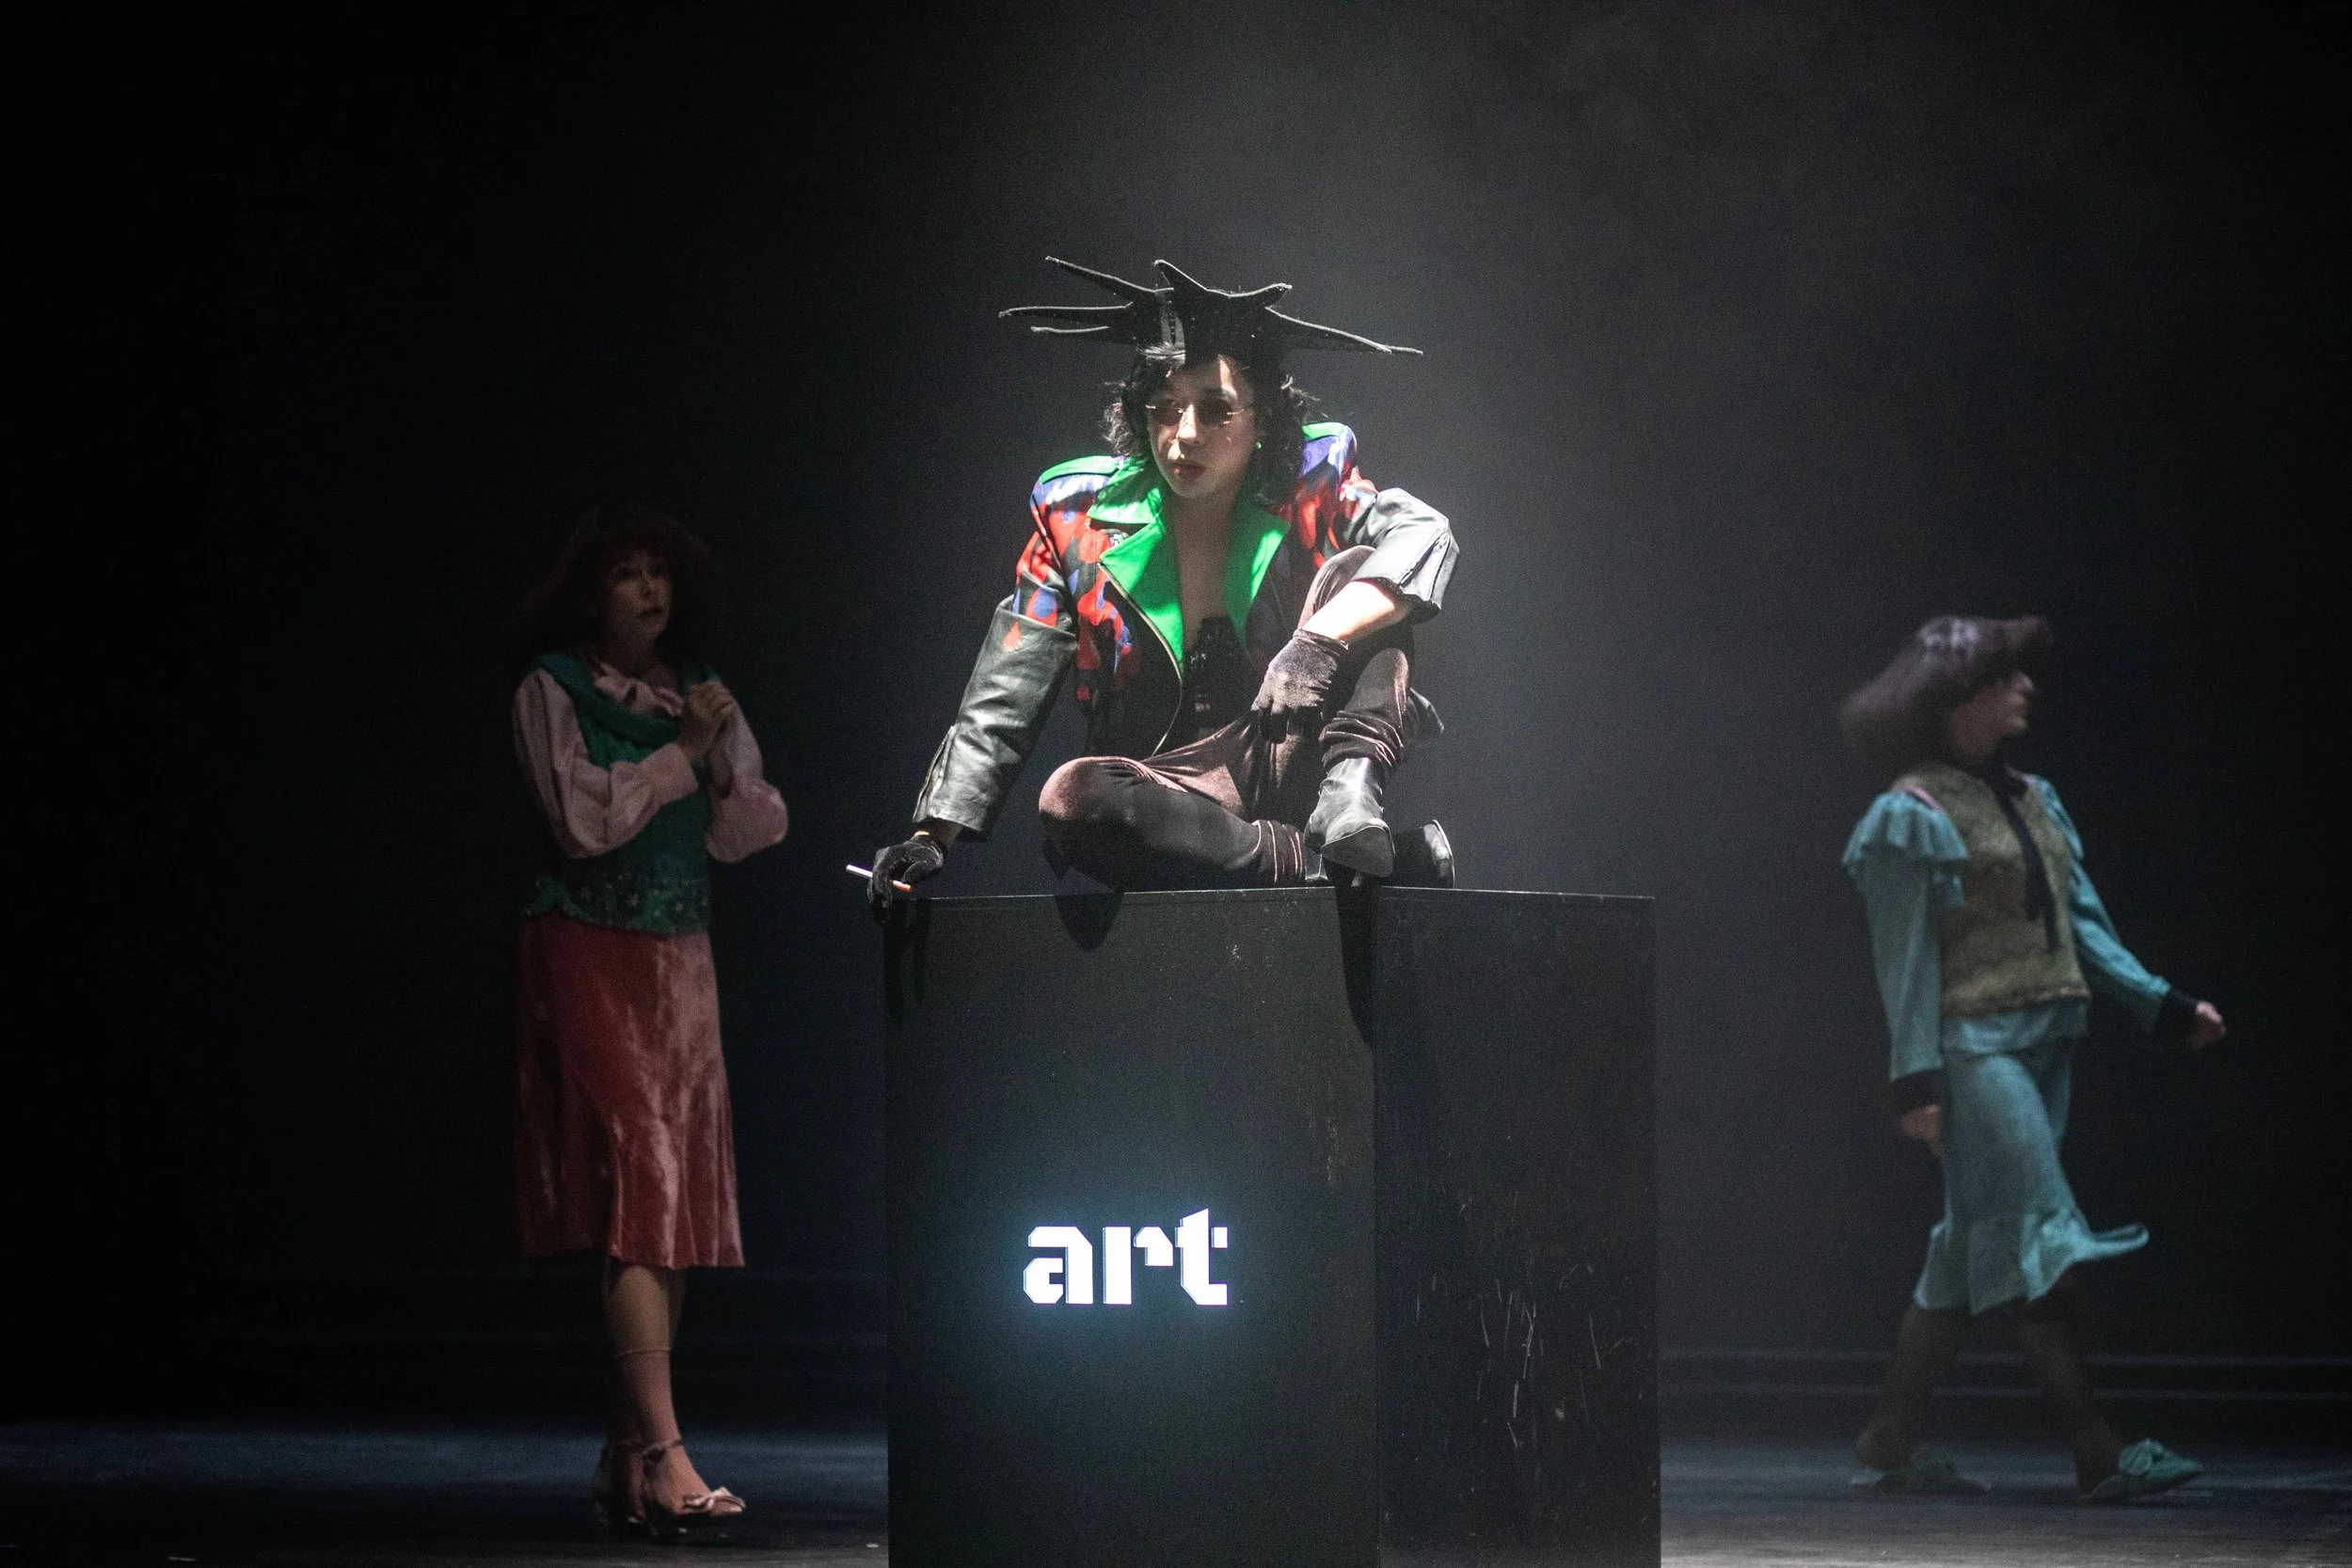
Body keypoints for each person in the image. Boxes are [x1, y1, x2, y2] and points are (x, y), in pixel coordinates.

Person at [866, 258, 1458, 908]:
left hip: (1297, 752)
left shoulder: (1316, 479)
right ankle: (1319, 866)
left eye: (1216, 410)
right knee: (1072, 798)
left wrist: (1317, 641)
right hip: (1171, 791)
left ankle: (1350, 804)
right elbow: (1007, 686)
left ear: (1262, 419)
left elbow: (1424, 535)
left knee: (1362, 569)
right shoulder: (1074, 515)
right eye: (1164, 409)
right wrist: (931, 835)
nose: (1184, 436)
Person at [1838, 614, 2226, 1502]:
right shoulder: (1910, 815)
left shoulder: (2035, 798)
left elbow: (2083, 925)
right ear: (1956, 698)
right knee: (2041, 1235)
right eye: (2003, 677)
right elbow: (1905, 962)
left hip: (2045, 1043)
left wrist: (2162, 1006)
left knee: (1968, 1247)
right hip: (1975, 1053)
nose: (2025, 689)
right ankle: (2098, 1449)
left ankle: (1889, 1434)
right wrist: (1914, 1081)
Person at [505, 503, 789, 1536]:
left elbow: (750, 828)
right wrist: (681, 754)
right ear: (594, 594)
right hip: (590, 947)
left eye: (658, 570)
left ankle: (626, 1454)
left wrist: (713, 756)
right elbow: (580, 821)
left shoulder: (698, 694)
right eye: (626, 572)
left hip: (681, 954)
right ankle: (668, 1453)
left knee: (674, 1201)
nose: (648, 588)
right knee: (641, 1178)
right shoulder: (552, 689)